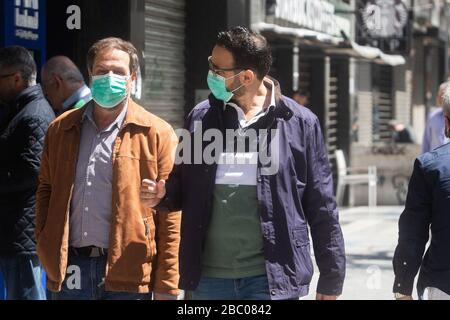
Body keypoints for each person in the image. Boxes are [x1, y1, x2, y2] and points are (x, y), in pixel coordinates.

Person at [141, 26, 346, 300]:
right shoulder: (200, 117)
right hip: (209, 279)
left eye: (218, 69)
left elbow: (322, 205)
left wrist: (331, 277)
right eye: (210, 65)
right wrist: (163, 194)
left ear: (247, 76)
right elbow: (181, 184)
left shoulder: (301, 123)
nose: (211, 74)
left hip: (272, 277)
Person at [36, 37, 181, 300]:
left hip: (130, 271)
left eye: (119, 72)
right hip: (71, 269)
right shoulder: (61, 129)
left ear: (133, 77)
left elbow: (171, 216)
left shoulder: (157, 133)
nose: (109, 77)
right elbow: (46, 188)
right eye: (102, 71)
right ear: (90, 74)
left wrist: (167, 284)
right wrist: (45, 242)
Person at [0, 46, 55, 300]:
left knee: (26, 293)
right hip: (16, 231)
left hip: (22, 233)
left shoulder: (33, 114)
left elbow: (30, 172)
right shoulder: (20, 110)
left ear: (16, 78)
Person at [393, 85, 450, 300]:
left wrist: (403, 286)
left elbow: (413, 233)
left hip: (443, 284)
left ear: (445, 123)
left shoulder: (429, 166)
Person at [422, 82, 450, 153]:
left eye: (443, 95)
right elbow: (426, 142)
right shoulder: (432, 116)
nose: (440, 98)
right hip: (434, 161)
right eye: (439, 95)